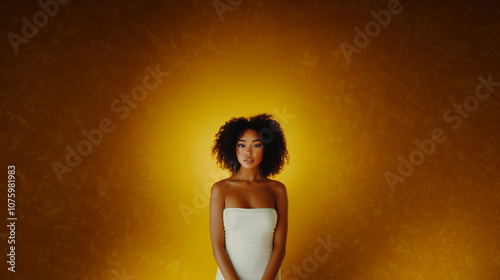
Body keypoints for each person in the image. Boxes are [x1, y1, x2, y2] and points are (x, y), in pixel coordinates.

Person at [210, 113, 290, 280]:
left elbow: (279, 247)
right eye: (241, 145)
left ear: (267, 149)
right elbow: (218, 246)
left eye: (256, 145)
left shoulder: (277, 190)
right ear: (233, 148)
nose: (248, 152)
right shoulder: (220, 189)